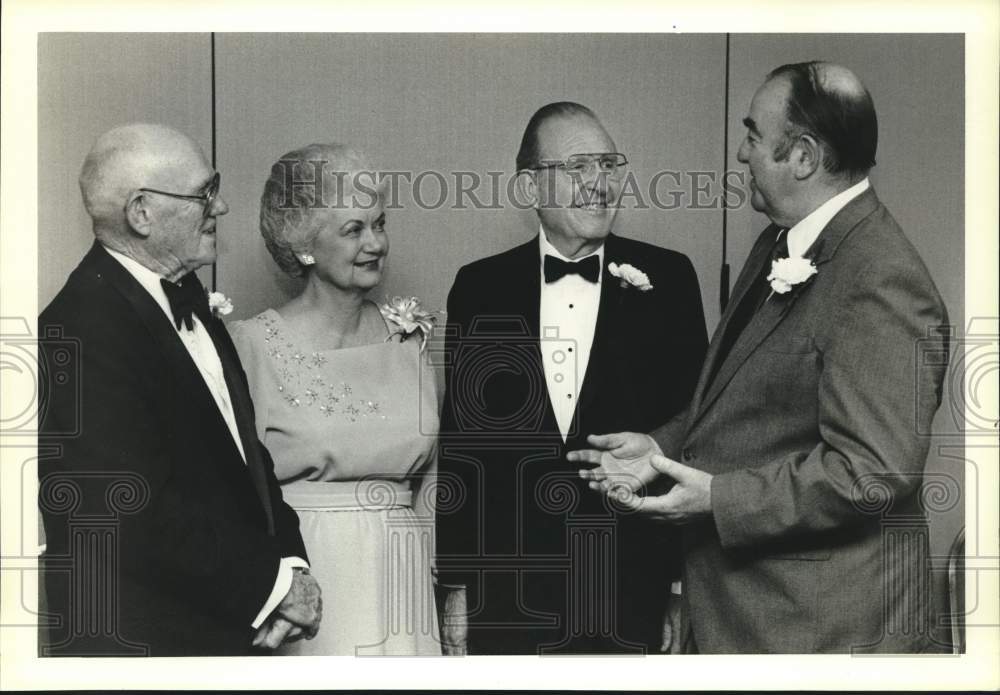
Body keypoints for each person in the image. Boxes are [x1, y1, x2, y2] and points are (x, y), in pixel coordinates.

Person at [572, 62, 951, 653]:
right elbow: (751, 399)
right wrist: (661, 447)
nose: (741, 152)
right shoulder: (780, 240)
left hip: (824, 635)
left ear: (802, 156)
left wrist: (717, 498)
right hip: (755, 619)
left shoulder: (881, 278)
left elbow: (872, 473)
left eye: (752, 133)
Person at [435, 102, 708, 654]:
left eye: (609, 165)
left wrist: (680, 586)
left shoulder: (671, 279)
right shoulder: (479, 287)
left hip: (631, 583)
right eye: (578, 166)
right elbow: (462, 444)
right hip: (507, 592)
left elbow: (697, 428)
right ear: (529, 185)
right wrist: (458, 583)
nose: (599, 184)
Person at [38, 124, 320, 656]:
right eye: (204, 193)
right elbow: (129, 508)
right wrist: (275, 586)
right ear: (141, 213)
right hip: (146, 645)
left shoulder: (187, 295)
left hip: (225, 630)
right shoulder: (80, 326)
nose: (222, 206)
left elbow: (247, 458)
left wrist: (291, 563)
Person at [228, 144, 440, 655]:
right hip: (309, 577)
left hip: (405, 582)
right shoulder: (249, 345)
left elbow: (434, 482)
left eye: (379, 224)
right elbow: (232, 498)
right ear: (303, 245)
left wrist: (444, 587)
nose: (375, 243)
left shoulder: (411, 337)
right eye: (353, 230)